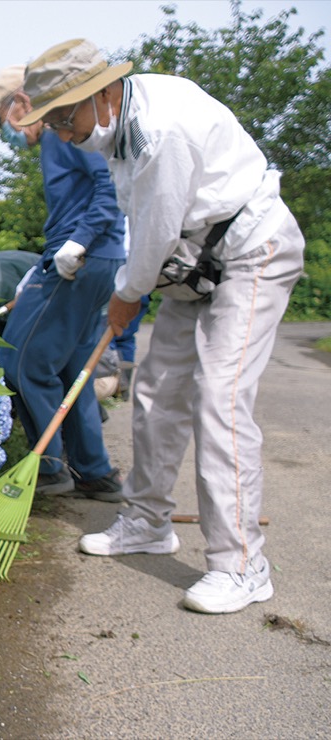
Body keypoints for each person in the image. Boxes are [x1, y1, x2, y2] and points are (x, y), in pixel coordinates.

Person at [19, 39, 305, 613]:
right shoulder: (115, 128)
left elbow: (155, 224)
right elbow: (150, 224)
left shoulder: (159, 130)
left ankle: (242, 564)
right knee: (154, 393)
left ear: (99, 94)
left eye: (62, 116)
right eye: (48, 119)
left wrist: (127, 294)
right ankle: (147, 521)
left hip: (251, 253)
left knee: (219, 399)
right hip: (192, 264)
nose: (57, 130)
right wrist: (139, 281)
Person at [0, 64, 126, 501]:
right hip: (93, 260)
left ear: (21, 103)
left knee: (21, 363)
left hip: (79, 261)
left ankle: (49, 469)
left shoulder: (64, 133)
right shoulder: (52, 143)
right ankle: (94, 472)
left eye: (2, 120)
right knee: (71, 369)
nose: (6, 134)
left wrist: (76, 243)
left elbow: (110, 186)